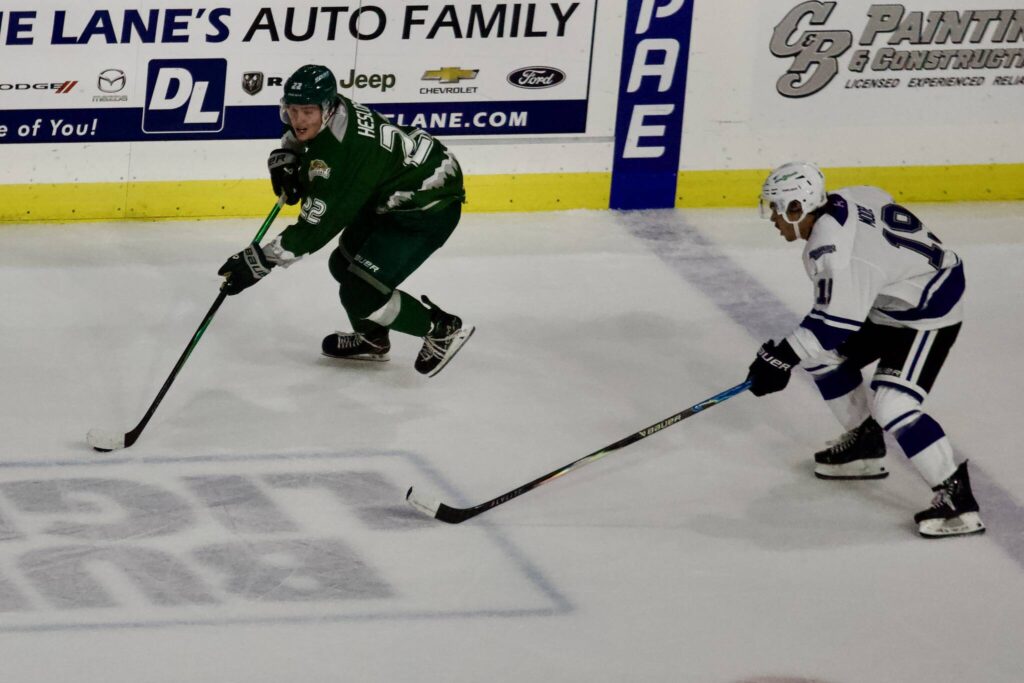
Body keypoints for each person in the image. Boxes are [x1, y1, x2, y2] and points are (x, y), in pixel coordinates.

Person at [745, 161, 984, 539]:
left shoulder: (834, 253)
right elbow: (839, 315)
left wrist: (779, 360)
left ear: (798, 208)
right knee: (821, 355)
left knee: (894, 404)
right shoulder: (851, 196)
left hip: (928, 313)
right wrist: (786, 357)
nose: (772, 217)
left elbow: (834, 323)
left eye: (776, 208)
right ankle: (865, 443)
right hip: (891, 303)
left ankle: (958, 498)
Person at [218, 64, 474, 377]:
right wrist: (288, 157)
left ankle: (440, 329)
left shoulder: (342, 157)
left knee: (360, 293)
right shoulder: (336, 113)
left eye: (307, 112)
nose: (299, 120)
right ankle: (373, 338)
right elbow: (300, 139)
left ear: (326, 108)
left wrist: (259, 260)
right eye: (292, 110)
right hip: (394, 193)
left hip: (425, 211)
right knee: (343, 264)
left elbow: (314, 231)